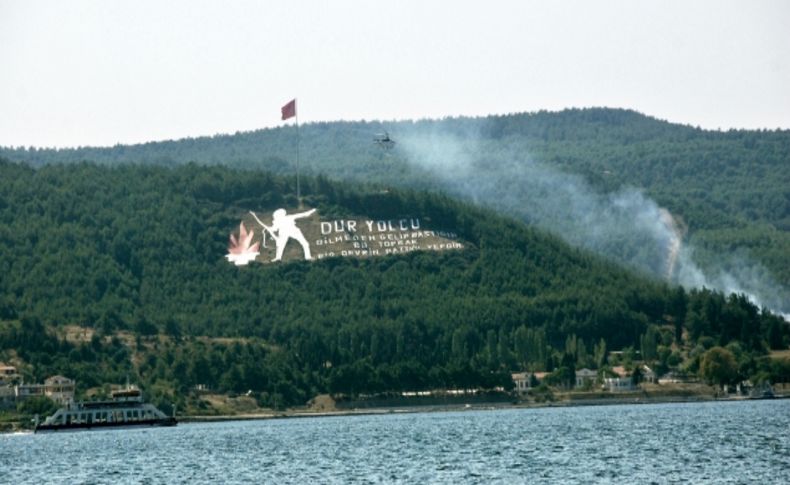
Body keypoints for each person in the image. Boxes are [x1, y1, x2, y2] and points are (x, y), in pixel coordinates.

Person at [250, 208, 316, 261]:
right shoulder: (278, 221)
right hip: (285, 233)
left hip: (293, 231)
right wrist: (256, 217)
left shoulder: (287, 218)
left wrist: (311, 211)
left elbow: (302, 214)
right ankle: (278, 258)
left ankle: (308, 257)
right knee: (281, 247)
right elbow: (303, 214)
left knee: (305, 243)